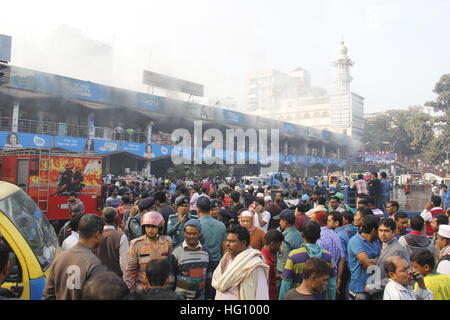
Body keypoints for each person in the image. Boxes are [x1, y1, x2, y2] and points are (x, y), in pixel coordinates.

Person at [43, 215, 107, 300]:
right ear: (97, 234)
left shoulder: (59, 258)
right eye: (102, 234)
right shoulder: (94, 264)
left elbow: (48, 295)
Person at [278, 220, 335, 300]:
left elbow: (286, 283)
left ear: (302, 234)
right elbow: (332, 285)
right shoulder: (328, 256)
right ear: (319, 236)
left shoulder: (294, 255)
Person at [212, 225, 269, 300]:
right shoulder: (226, 258)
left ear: (243, 243)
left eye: (232, 241)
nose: (227, 244)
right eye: (227, 240)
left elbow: (261, 294)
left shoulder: (254, 265)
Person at [123, 211, 172, 291]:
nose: (150, 230)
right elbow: (130, 272)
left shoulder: (167, 242)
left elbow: (171, 267)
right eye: (148, 226)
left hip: (163, 289)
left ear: (159, 228)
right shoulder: (136, 244)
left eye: (153, 227)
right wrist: (128, 291)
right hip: (142, 290)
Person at [365, 218, 410, 300]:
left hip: (389, 293)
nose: (383, 234)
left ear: (394, 232)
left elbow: (394, 276)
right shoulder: (385, 244)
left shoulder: (396, 250)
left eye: (386, 231)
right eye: (380, 230)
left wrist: (372, 287)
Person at [168, 219, 211, 300]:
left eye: (194, 234)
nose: (191, 236)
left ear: (199, 233)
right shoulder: (176, 252)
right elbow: (171, 278)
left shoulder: (206, 252)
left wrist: (208, 297)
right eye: (188, 233)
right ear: (184, 233)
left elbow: (208, 277)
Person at [196, 197, 227, 300]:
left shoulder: (196, 225)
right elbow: (225, 249)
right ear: (210, 209)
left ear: (198, 210)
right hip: (216, 263)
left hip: (200, 263)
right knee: (213, 292)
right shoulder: (221, 225)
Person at [347, 215, 381, 300]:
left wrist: (375, 260)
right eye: (380, 230)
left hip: (373, 288)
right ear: (374, 230)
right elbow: (367, 264)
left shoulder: (376, 241)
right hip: (359, 290)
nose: (381, 233)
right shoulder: (355, 241)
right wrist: (379, 260)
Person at [314, 210, 345, 300]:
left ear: (317, 221)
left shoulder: (318, 236)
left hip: (320, 280)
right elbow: (342, 257)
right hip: (333, 278)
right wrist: (338, 278)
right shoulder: (335, 234)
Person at [95, 207, 129, 277]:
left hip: (98, 277)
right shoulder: (121, 236)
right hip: (116, 278)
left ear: (102, 218)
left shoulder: (96, 235)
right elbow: (124, 263)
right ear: (115, 218)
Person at [327, 211, 350, 299]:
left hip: (342, 270)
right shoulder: (342, 232)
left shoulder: (338, 236)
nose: (327, 223)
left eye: (329, 221)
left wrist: (338, 277)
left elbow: (342, 257)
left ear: (336, 223)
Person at [275, 209, 304, 275]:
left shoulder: (285, 238)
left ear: (285, 222)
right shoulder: (299, 234)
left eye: (280, 220)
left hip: (285, 272)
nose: (279, 222)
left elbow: (284, 259)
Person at [261, 229, 284, 300]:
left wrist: (279, 276)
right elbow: (269, 285)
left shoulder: (263, 254)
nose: (279, 247)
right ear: (272, 244)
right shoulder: (267, 263)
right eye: (279, 244)